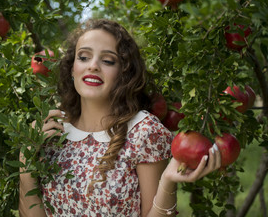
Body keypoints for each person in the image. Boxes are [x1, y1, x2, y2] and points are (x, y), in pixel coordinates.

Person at [19, 19, 221, 217]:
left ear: (124, 74)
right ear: (72, 69)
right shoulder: (52, 130)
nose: (93, 66)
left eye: (107, 60)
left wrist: (167, 181)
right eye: (83, 57)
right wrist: (26, 162)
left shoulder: (143, 131)